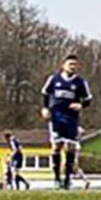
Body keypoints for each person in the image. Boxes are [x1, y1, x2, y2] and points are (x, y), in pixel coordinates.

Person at [40, 54, 91, 190]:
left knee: (70, 147)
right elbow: (45, 93)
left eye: (75, 65)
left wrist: (81, 105)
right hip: (56, 117)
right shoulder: (54, 79)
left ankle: (67, 179)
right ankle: (56, 178)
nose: (73, 67)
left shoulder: (80, 82)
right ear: (63, 65)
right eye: (70, 64)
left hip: (71, 119)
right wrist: (45, 108)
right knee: (57, 146)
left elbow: (87, 99)